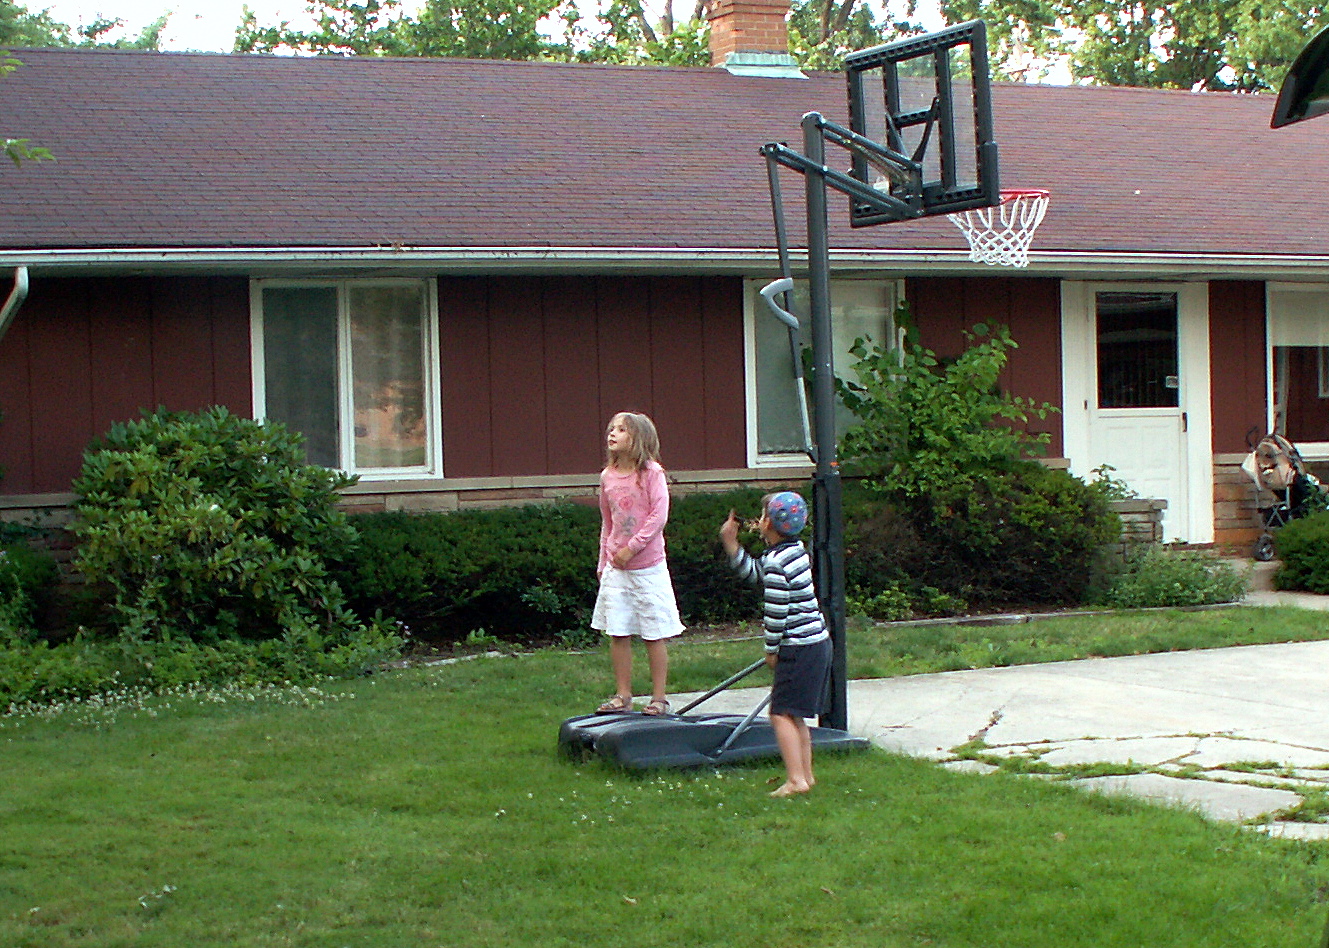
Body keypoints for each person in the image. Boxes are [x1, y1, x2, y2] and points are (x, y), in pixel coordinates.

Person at [719, 492, 831, 797]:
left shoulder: (777, 563)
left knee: (780, 714)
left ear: (768, 523)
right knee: (794, 714)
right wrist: (732, 545)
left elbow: (776, 612)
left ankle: (795, 780)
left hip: (797, 647)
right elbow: (757, 573)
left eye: (762, 515)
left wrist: (771, 649)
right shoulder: (794, 552)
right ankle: (806, 776)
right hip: (816, 643)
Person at [592, 411, 684, 717]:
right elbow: (608, 522)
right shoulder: (607, 476)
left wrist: (631, 549)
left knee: (653, 632)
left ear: (639, 438)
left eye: (622, 430)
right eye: (612, 428)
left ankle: (659, 698)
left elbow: (658, 517)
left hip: (648, 567)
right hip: (616, 569)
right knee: (618, 631)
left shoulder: (651, 474)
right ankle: (623, 695)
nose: (613, 433)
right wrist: (604, 560)